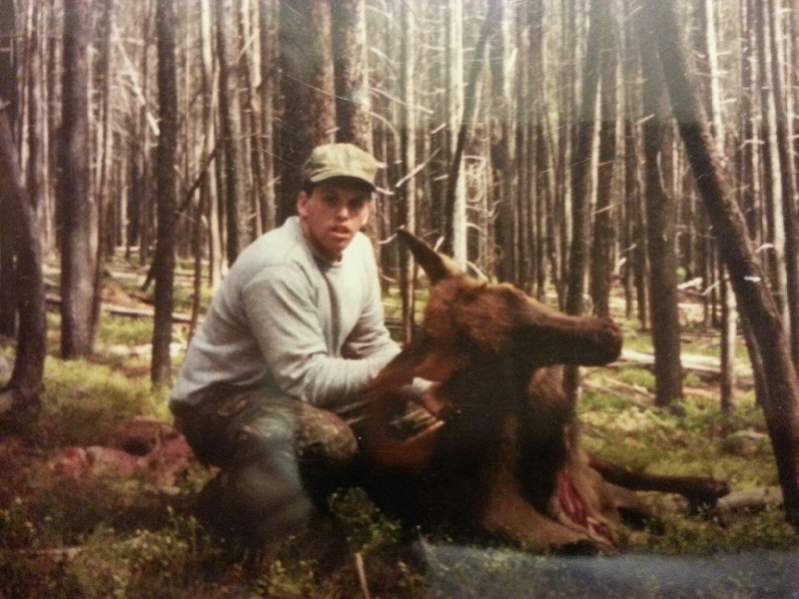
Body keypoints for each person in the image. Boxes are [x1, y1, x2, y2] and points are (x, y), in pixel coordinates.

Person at [170, 143, 434, 542]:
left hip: (290, 393)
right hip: (219, 403)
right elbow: (306, 378)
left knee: (419, 422)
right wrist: (405, 373)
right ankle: (214, 516)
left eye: (355, 203)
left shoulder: (359, 251)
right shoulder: (278, 266)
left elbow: (371, 343)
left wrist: (426, 386)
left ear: (367, 213)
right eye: (330, 199)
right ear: (303, 203)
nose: (342, 214)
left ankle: (348, 511)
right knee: (327, 442)